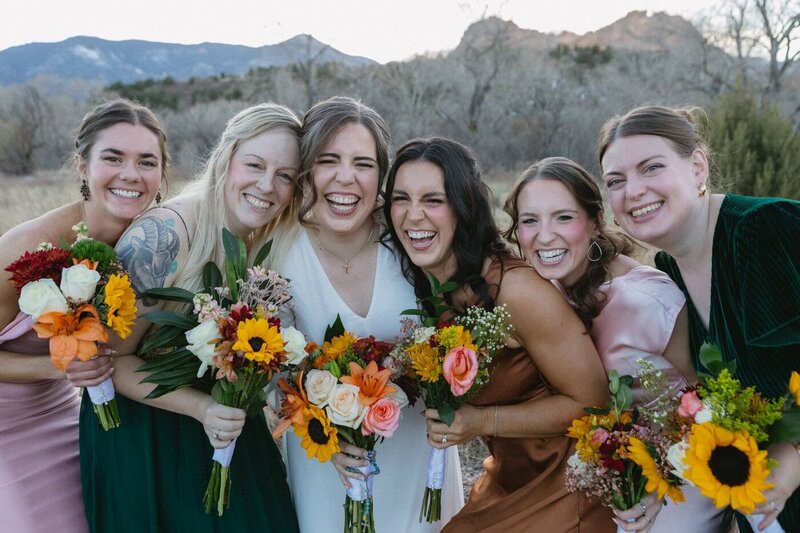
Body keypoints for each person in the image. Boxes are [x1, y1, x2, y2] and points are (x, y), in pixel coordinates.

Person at [79, 102, 302, 532]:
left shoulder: (266, 244)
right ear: (226, 158)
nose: (266, 185)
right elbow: (108, 362)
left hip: (227, 423)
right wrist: (201, 408)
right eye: (254, 164)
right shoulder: (163, 236)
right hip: (147, 435)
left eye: (286, 175)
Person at [383, 137, 612, 532]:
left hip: (568, 486)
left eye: (434, 200)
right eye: (401, 198)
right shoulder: (434, 288)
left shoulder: (515, 291)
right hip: (509, 479)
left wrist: (480, 420)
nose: (413, 215)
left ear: (465, 207)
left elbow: (593, 404)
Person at [598, 104, 800, 533]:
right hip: (761, 506)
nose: (633, 190)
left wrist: (795, 455)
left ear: (698, 167)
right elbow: (707, 407)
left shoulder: (764, 229)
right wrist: (664, 480)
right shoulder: (670, 272)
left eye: (651, 168)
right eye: (616, 180)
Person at [502, 156, 730, 532]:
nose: (544, 236)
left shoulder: (646, 299)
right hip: (605, 467)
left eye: (563, 217)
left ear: (593, 222)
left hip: (682, 468)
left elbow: (709, 401)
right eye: (530, 221)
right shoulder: (544, 291)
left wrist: (664, 479)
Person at [267, 96, 464, 532]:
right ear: (306, 171)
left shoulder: (412, 241)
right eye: (328, 160)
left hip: (418, 460)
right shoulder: (278, 251)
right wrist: (324, 436)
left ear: (381, 175)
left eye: (363, 163)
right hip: (327, 468)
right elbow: (271, 374)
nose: (345, 179)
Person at [0, 98, 167, 533]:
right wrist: (61, 366)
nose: (130, 174)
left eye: (146, 162)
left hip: (67, 417)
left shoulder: (152, 248)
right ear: (81, 165)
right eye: (113, 158)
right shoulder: (27, 249)